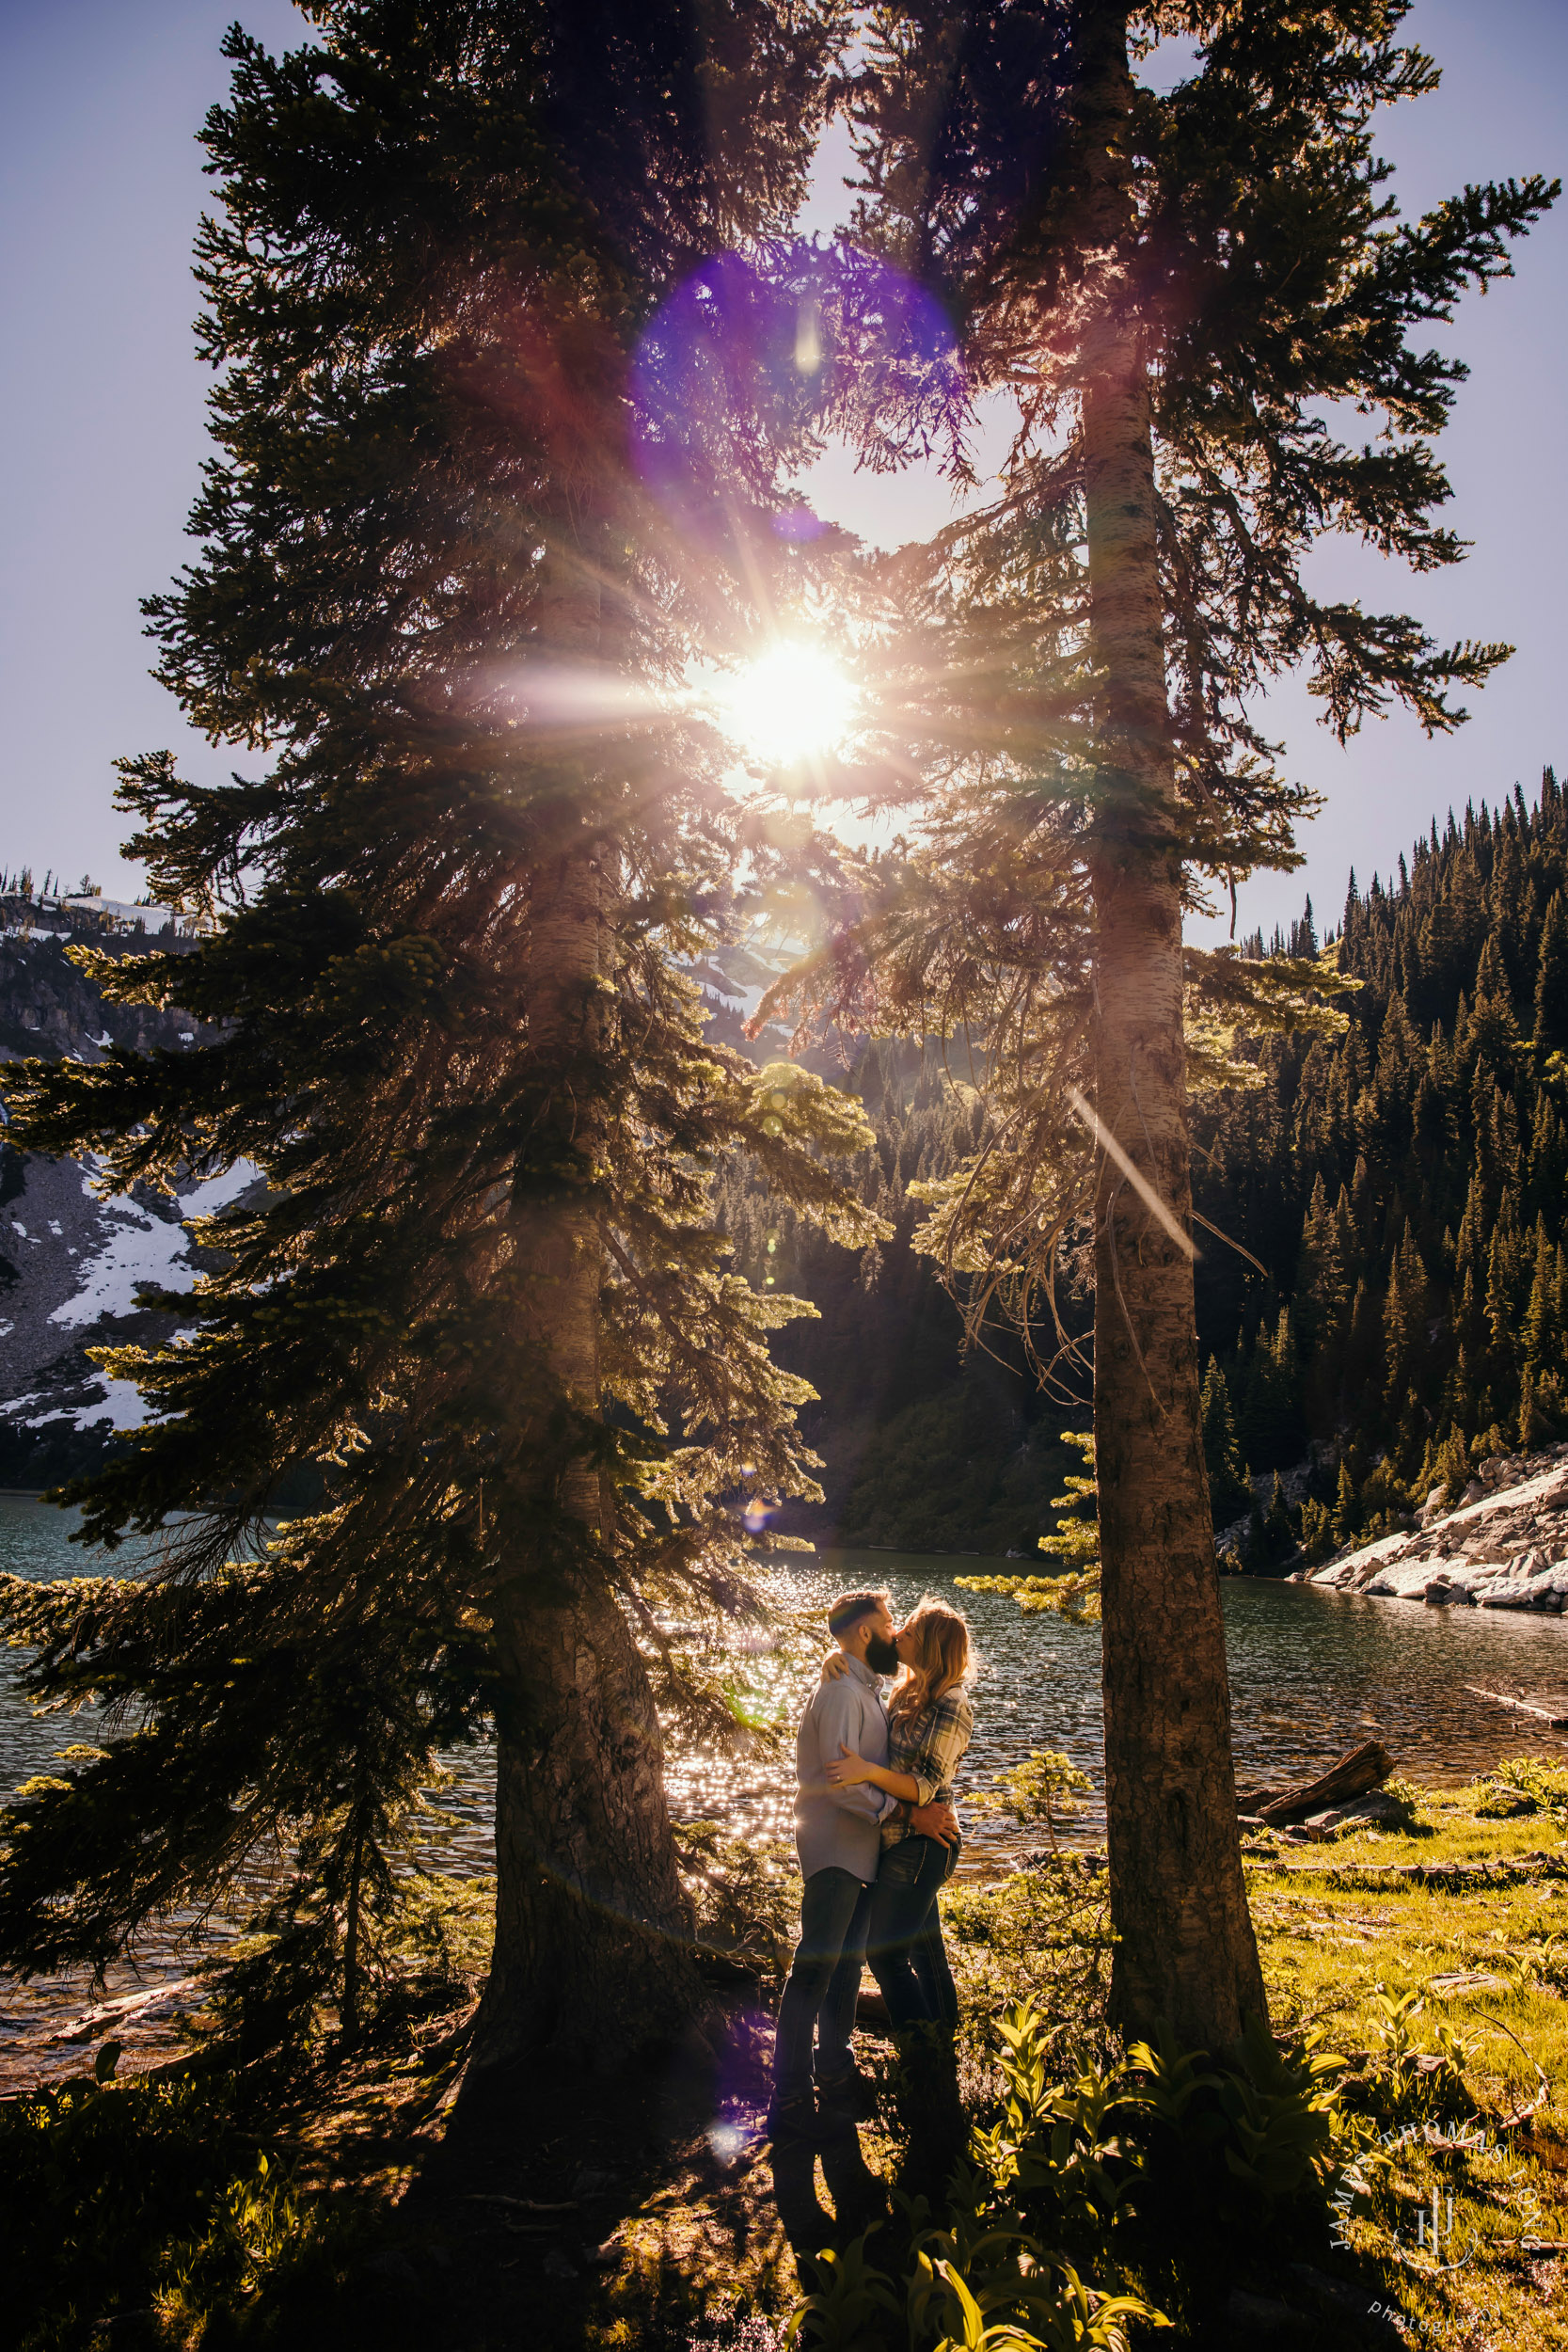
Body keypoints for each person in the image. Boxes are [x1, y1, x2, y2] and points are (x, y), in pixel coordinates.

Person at [768, 1588, 957, 2144]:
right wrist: (907, 1812)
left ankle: (835, 2073)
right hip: (835, 1851)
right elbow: (841, 1785)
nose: (897, 1633)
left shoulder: (863, 1690)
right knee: (815, 1970)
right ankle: (791, 2094)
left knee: (846, 1969)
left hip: (861, 1852)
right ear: (866, 1633)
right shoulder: (844, 1696)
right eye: (889, 1623)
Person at [823, 1598, 974, 2030]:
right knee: (927, 1952)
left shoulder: (952, 1703)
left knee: (885, 1954)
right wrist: (836, 1657)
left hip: (925, 1844)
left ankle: (922, 2058)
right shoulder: (906, 1688)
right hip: (901, 1836)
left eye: (906, 1629)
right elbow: (860, 1664)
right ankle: (943, 2046)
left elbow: (926, 1786)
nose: (897, 1634)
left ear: (927, 1645)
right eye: (897, 1625)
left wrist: (865, 1771)